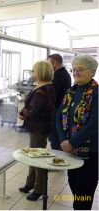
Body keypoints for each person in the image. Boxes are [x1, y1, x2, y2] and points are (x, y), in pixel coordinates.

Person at [56, 54, 98, 210]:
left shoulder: (96, 92)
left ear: (92, 72)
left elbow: (95, 123)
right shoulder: (71, 91)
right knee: (74, 186)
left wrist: (72, 142)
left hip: (91, 152)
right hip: (70, 150)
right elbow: (59, 116)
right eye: (74, 69)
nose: (76, 72)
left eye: (80, 69)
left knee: (84, 194)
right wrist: (63, 141)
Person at [18, 61, 55, 201]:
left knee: (38, 158)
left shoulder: (43, 90)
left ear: (39, 72)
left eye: (33, 71)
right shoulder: (44, 87)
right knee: (33, 155)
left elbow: (33, 111)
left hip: (39, 129)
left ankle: (39, 189)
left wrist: (22, 113)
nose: (32, 73)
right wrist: (24, 111)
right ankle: (30, 183)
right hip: (37, 127)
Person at [47, 54, 71, 150]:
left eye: (49, 64)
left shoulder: (58, 75)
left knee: (55, 139)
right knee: (56, 137)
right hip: (60, 109)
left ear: (54, 63)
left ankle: (56, 159)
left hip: (57, 109)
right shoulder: (64, 73)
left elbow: (52, 95)